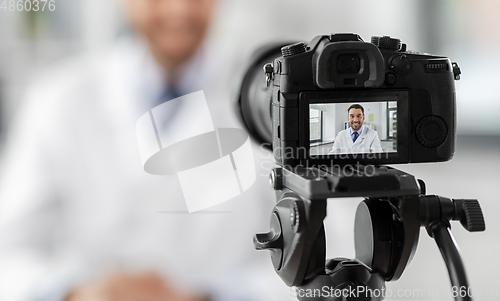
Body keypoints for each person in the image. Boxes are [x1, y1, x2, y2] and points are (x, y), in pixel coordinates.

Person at [0, 0, 291, 300]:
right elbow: (8, 253)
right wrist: (73, 291)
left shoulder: (274, 101)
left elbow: (324, 254)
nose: (179, 10)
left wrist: (211, 296)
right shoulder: (58, 100)